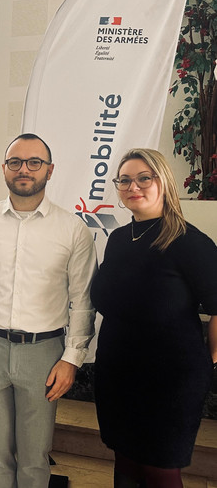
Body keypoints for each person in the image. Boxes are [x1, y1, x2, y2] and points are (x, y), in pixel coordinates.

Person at [0, 133, 97, 488]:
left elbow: (82, 300)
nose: (24, 169)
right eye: (15, 162)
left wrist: (72, 358)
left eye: (34, 162)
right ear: (4, 168)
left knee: (34, 457)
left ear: (50, 170)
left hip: (44, 354)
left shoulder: (73, 230)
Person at [91, 149, 217, 488]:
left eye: (144, 178)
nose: (133, 186)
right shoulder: (118, 239)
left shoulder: (190, 242)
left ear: (164, 182)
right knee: (125, 458)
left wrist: (208, 362)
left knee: (159, 469)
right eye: (125, 180)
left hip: (169, 381)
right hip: (118, 373)